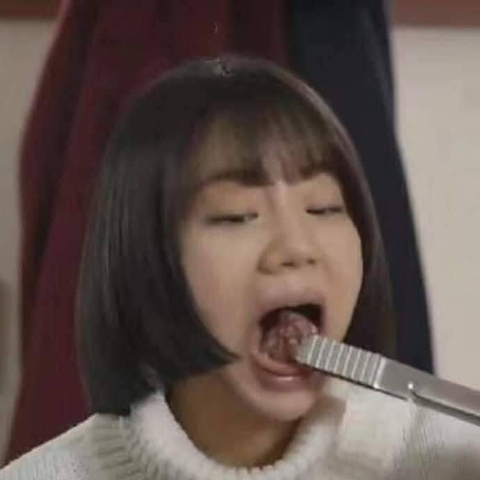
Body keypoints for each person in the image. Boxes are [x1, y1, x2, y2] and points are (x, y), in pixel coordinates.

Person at [3, 55, 460, 480]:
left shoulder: (447, 460)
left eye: (323, 208)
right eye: (237, 216)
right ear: (148, 255)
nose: (296, 247)